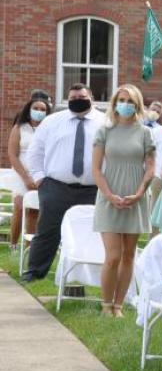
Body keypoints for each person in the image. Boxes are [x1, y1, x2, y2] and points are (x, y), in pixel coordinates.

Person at [22, 83, 106, 283]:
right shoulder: (52, 122)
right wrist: (40, 178)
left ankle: (87, 278)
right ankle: (34, 272)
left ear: (91, 98)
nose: (78, 100)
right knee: (48, 231)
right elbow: (36, 151)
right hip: (55, 186)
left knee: (91, 233)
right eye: (73, 98)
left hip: (93, 189)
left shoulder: (105, 122)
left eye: (82, 97)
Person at [92, 84, 155, 317]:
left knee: (129, 255)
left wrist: (139, 193)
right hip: (108, 196)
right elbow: (96, 169)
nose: (125, 105)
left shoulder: (145, 133)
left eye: (130, 101)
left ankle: (118, 305)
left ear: (137, 105)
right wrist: (109, 195)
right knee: (113, 256)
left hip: (135, 198)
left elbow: (150, 167)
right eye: (122, 100)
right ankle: (105, 304)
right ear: (114, 103)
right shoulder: (104, 131)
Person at [6, 98, 49, 252]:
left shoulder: (48, 129)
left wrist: (39, 177)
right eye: (36, 108)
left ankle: (29, 248)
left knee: (33, 210)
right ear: (29, 109)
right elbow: (12, 155)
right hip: (20, 173)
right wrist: (25, 177)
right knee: (19, 207)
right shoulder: (19, 128)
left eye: (43, 109)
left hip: (40, 175)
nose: (39, 112)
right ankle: (13, 244)